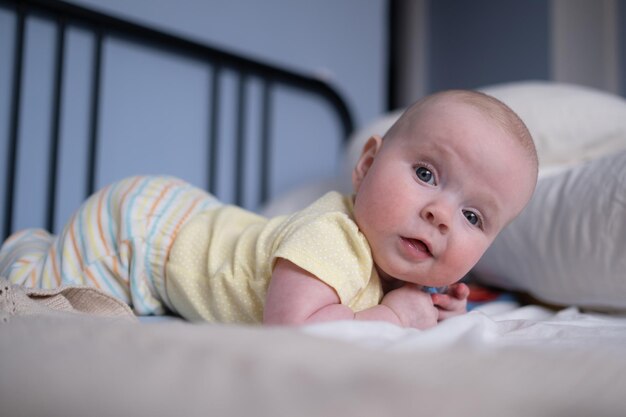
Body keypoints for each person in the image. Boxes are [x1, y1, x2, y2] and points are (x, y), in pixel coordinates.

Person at [0, 90, 538, 329]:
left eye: (473, 217)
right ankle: (24, 248)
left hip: (192, 218)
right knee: (33, 301)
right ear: (366, 165)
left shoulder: (390, 261)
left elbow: (365, 301)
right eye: (425, 174)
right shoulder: (332, 235)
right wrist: (394, 317)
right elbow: (299, 330)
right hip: (138, 230)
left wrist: (423, 304)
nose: (442, 214)